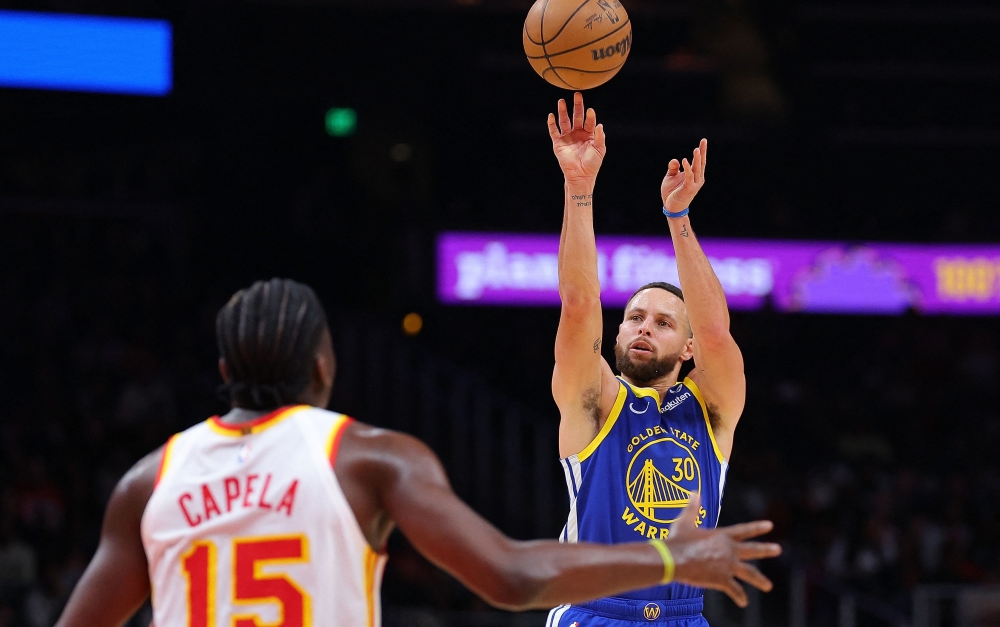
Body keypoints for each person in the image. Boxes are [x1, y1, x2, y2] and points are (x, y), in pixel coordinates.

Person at [54, 279, 776, 627]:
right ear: (326, 369)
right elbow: (512, 576)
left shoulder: (149, 481)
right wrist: (674, 559)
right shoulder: (366, 458)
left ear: (219, 372)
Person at [546, 93, 748, 626]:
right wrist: (579, 188)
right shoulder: (595, 399)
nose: (643, 327)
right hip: (597, 608)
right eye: (635, 317)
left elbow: (715, 332)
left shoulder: (711, 410)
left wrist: (678, 215)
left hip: (684, 615)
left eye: (662, 323)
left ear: (687, 350)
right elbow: (579, 304)